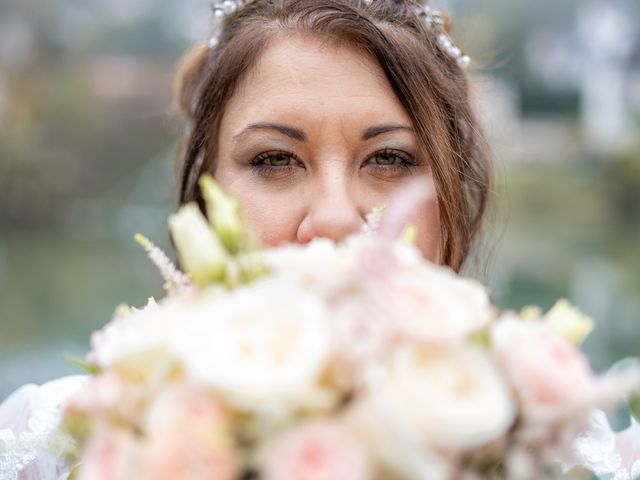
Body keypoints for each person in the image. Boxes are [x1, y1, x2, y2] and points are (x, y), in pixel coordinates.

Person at [0, 1, 490, 479]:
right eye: (274, 159)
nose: (336, 220)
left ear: (452, 192)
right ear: (207, 196)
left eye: (389, 159)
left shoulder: (549, 449)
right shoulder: (55, 444)